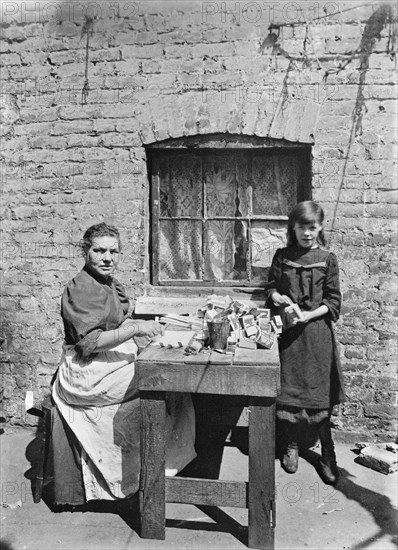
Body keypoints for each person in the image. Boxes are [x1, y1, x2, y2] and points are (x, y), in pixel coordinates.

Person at [51, 223, 196, 504]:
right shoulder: (80, 289)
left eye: (113, 251)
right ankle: (145, 477)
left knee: (172, 373)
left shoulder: (109, 283)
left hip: (107, 361)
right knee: (165, 378)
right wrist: (134, 330)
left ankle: (159, 469)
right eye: (99, 250)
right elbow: (88, 344)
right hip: (87, 370)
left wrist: (145, 327)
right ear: (85, 251)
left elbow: (118, 320)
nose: (107, 258)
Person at [265, 201, 345, 485]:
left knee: (318, 396)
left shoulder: (327, 258)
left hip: (316, 336)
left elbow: (334, 302)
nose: (307, 233)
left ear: (320, 227)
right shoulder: (282, 255)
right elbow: (271, 287)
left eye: (312, 228)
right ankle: (291, 446)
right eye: (302, 228)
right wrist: (276, 298)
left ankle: (328, 453)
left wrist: (310, 314)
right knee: (288, 392)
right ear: (293, 228)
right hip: (289, 336)